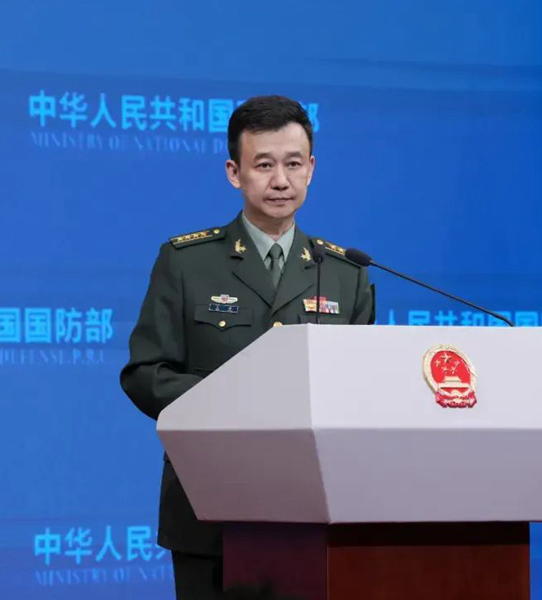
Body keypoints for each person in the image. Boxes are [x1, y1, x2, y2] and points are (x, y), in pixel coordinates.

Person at [120, 95, 375, 599]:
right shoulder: (186, 262)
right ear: (234, 173)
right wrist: (235, 402)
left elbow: (360, 391)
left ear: (312, 169)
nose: (280, 180)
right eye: (264, 165)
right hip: (209, 507)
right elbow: (146, 373)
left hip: (315, 513)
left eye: (293, 164)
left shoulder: (346, 274)